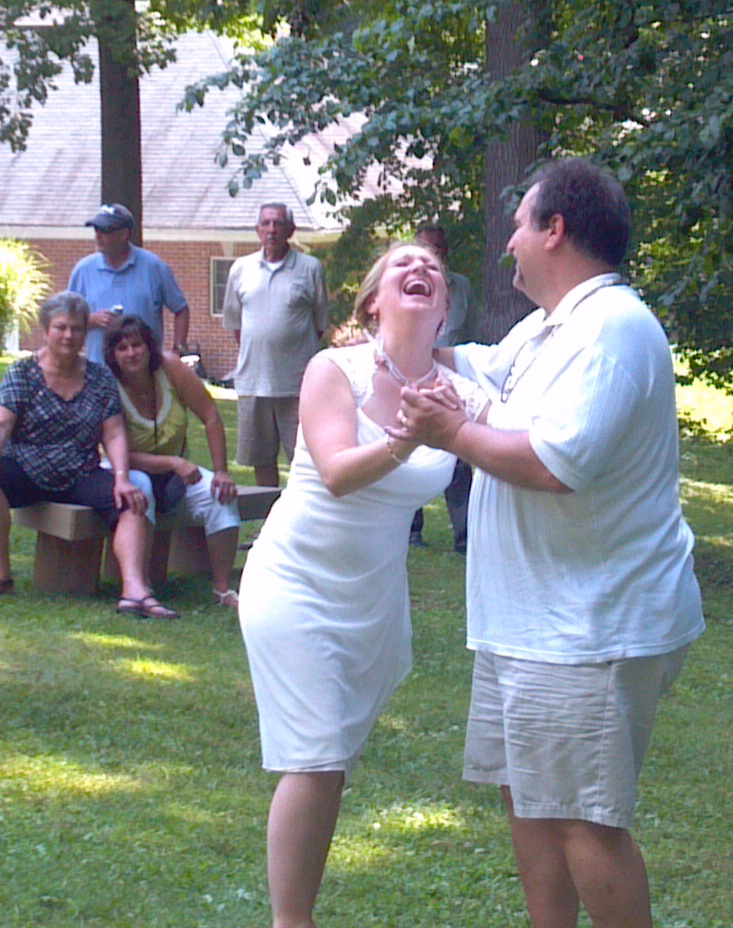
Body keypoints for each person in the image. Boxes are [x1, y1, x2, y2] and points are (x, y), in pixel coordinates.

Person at [394, 158, 704, 928]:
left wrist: (451, 433)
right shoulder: (548, 327)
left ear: (555, 230)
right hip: (531, 624)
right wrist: (404, 318)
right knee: (532, 803)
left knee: (583, 820)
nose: (508, 243)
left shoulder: (612, 330)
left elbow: (553, 465)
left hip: (586, 628)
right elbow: (472, 369)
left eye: (518, 225)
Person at [238, 242, 487, 928]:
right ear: (373, 301)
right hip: (296, 585)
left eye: (433, 271)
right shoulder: (334, 369)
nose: (420, 270)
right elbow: (338, 472)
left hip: (372, 602)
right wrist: (409, 437)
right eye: (403, 264)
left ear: (444, 310)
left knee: (331, 765)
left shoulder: (459, 388)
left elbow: (526, 438)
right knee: (316, 760)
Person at [0, 292, 179, 619]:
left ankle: (135, 590)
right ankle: (1, 576)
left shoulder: (99, 377)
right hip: (26, 469)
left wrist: (122, 478)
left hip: (80, 472)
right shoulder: (22, 372)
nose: (69, 335)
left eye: (77, 329)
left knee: (132, 498)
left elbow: (113, 432)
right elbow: (0, 421)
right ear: (46, 331)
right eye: (61, 327)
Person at [104, 316, 241, 608]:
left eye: (137, 345)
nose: (131, 353)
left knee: (220, 494)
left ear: (149, 346)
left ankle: (222, 588)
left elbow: (210, 415)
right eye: (122, 348)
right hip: (126, 471)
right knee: (141, 490)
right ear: (113, 355)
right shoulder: (108, 385)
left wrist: (221, 472)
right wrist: (172, 463)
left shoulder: (171, 368)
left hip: (175, 471)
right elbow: (118, 453)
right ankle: (140, 585)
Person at [222, 203, 330, 488]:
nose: (271, 229)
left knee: (305, 459)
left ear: (290, 230)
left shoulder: (310, 268)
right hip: (253, 383)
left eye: (278, 223)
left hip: (297, 385)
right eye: (266, 223)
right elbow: (236, 325)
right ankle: (268, 510)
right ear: (257, 229)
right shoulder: (240, 269)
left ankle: (301, 513)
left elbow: (319, 324)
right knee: (260, 459)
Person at [407, 224, 476, 550]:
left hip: (451, 382)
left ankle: (465, 535)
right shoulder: (408, 286)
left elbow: (470, 333)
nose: (432, 254)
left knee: (459, 455)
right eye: (425, 247)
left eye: (438, 248)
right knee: (408, 448)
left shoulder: (462, 287)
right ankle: (410, 530)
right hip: (411, 377)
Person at [66, 203, 189, 368]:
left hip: (146, 372)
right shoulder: (83, 270)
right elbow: (67, 318)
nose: (98, 236)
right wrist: (91, 319)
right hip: (100, 371)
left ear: (124, 234)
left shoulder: (154, 267)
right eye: (96, 230)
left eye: (105, 231)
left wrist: (177, 350)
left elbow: (181, 309)